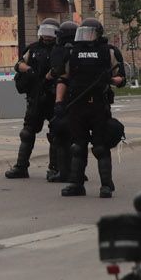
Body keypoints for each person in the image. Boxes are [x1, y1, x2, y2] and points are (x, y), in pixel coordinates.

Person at [53, 18, 124, 198]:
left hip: (98, 105)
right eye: (82, 33)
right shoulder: (72, 52)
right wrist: (59, 102)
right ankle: (76, 184)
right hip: (77, 105)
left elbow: (120, 78)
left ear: (98, 34)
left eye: (89, 33)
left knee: (100, 146)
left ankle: (106, 185)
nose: (85, 37)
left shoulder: (108, 52)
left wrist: (109, 79)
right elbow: (63, 79)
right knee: (77, 146)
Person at [6, 18, 61, 180]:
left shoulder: (60, 49)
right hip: (36, 96)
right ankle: (21, 167)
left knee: (56, 133)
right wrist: (28, 69)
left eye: (50, 32)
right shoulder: (34, 48)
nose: (47, 35)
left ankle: (55, 168)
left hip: (53, 96)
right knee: (27, 132)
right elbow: (19, 64)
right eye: (44, 31)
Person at [46, 20, 79, 182]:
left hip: (71, 98)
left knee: (61, 135)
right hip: (79, 98)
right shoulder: (84, 49)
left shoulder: (59, 51)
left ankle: (64, 171)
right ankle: (75, 171)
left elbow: (57, 74)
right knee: (75, 137)